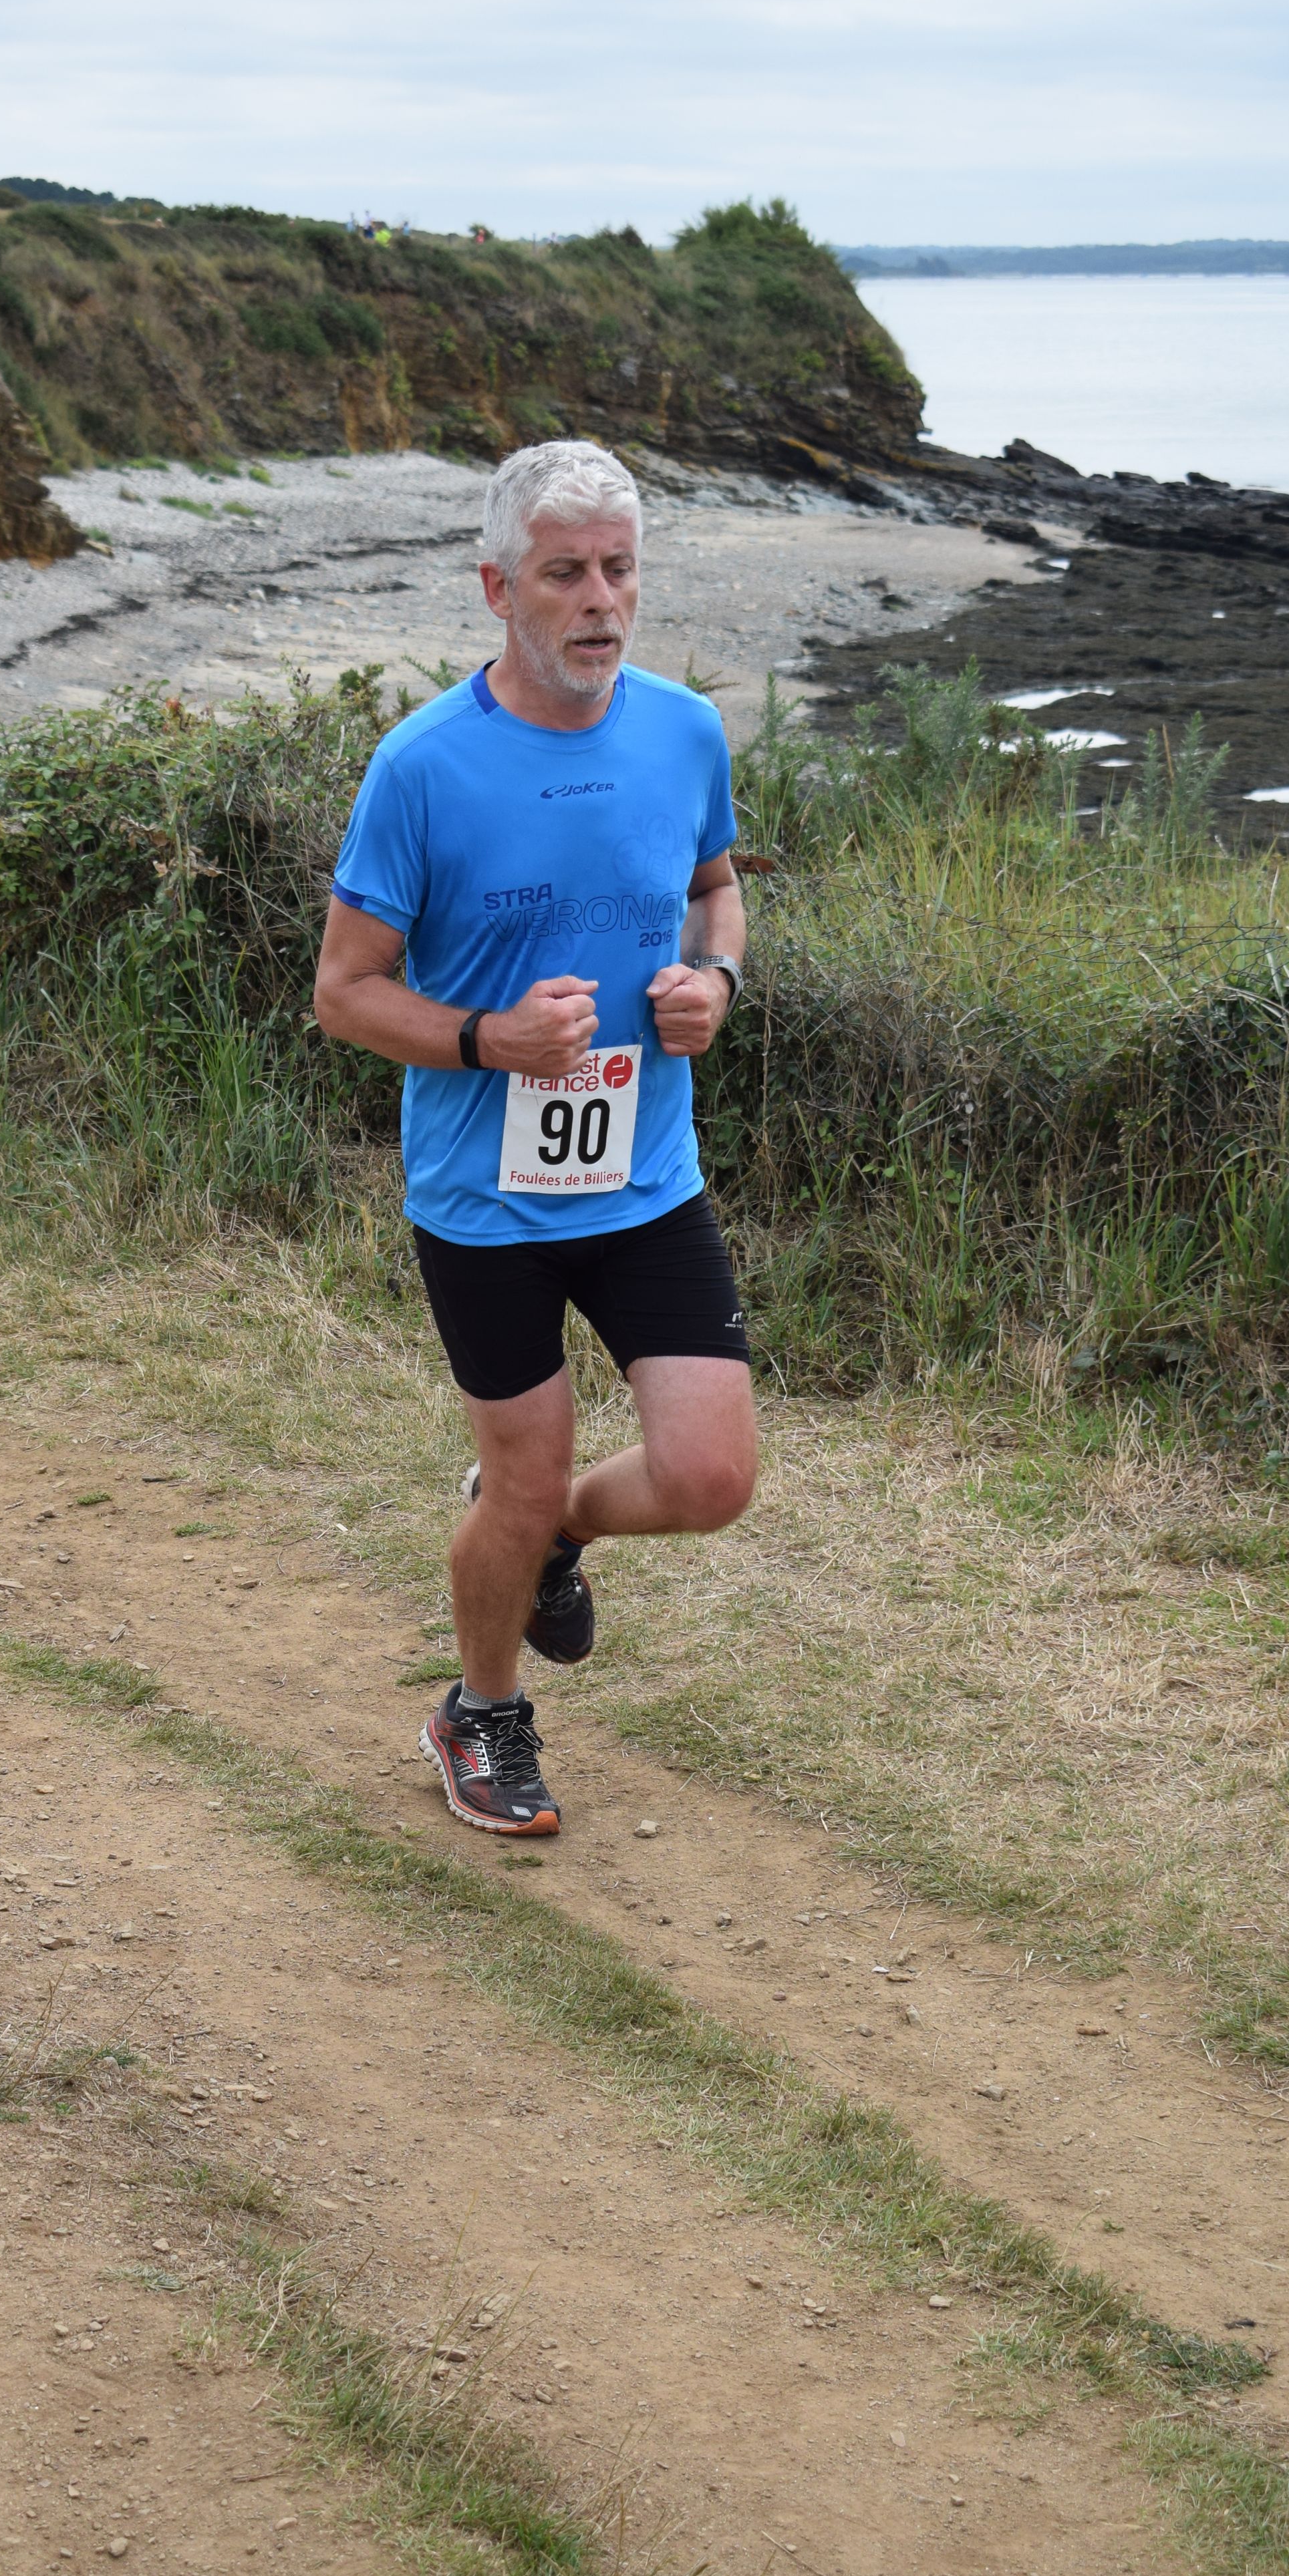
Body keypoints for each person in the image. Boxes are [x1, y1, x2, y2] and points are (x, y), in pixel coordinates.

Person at [313, 440, 754, 1838]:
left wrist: (715, 980)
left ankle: (561, 1528)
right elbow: (344, 993)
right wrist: (486, 1040)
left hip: (647, 1177)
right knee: (518, 1470)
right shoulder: (422, 768)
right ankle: (482, 1712)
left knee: (710, 1478)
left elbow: (717, 890)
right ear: (499, 588)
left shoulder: (684, 731)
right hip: (485, 1200)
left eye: (619, 569)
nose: (599, 600)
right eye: (564, 573)